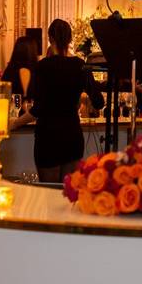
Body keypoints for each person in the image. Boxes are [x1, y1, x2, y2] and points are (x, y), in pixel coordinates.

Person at [29, 19, 104, 183]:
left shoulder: (42, 67)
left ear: (50, 39)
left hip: (48, 137)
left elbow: (38, 108)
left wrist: (14, 123)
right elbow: (99, 102)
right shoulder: (80, 65)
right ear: (70, 39)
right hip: (72, 135)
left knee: (48, 193)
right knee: (68, 194)